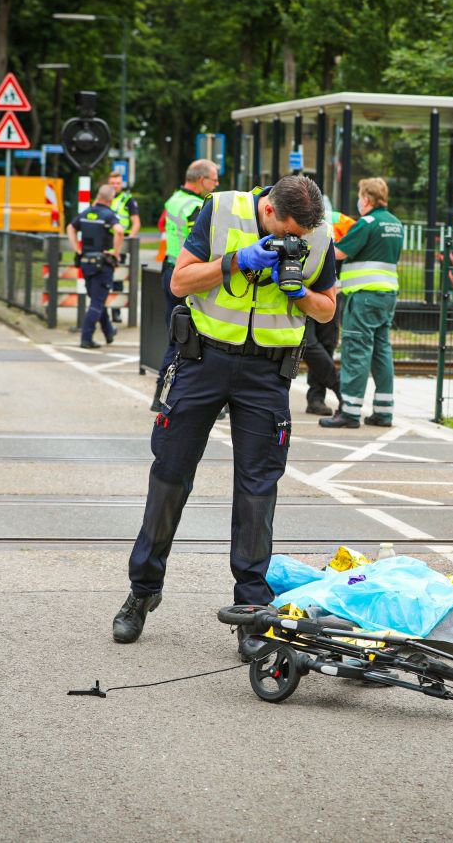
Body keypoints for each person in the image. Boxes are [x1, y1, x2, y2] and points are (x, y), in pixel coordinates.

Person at [112, 175, 337, 659]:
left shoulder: (320, 234)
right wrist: (235, 262)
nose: (296, 241)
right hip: (203, 359)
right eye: (289, 233)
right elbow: (179, 282)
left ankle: (252, 611)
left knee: (257, 490)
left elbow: (326, 310)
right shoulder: (221, 209)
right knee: (170, 476)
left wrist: (298, 291)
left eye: (302, 236)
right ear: (269, 211)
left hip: (267, 372)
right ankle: (142, 591)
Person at [320, 178, 404, 429]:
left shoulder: (367, 223)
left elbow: (339, 252)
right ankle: (383, 412)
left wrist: (319, 243)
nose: (359, 201)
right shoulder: (396, 224)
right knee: (381, 351)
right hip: (387, 295)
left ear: (366, 199)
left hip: (364, 297)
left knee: (356, 350)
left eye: (359, 196)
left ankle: (350, 412)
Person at [151, 158, 219, 411]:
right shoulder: (196, 207)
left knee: (175, 334)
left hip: (170, 269)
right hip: (188, 275)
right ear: (201, 180)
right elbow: (202, 244)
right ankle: (182, 396)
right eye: (214, 179)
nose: (216, 184)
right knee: (192, 336)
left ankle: (160, 393)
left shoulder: (174, 199)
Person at [303, 208, 357, 416]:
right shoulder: (300, 220)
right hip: (305, 292)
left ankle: (316, 399)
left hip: (331, 292)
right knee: (309, 344)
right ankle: (338, 386)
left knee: (327, 343)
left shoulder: (341, 222)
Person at [66, 185, 124, 349]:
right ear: (111, 199)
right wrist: (116, 253)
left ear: (98, 196)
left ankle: (108, 331)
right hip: (102, 264)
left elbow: (70, 227)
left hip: (85, 262)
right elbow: (119, 232)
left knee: (96, 299)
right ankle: (86, 337)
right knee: (97, 302)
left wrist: (77, 249)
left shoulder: (86, 213)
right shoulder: (109, 215)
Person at [107, 170, 140, 324]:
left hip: (121, 243)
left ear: (122, 184)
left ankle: (116, 311)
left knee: (118, 278)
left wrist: (129, 240)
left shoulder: (128, 200)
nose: (115, 186)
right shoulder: (104, 197)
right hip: (106, 241)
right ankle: (102, 311)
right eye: (112, 183)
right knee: (103, 277)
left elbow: (136, 223)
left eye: (118, 183)